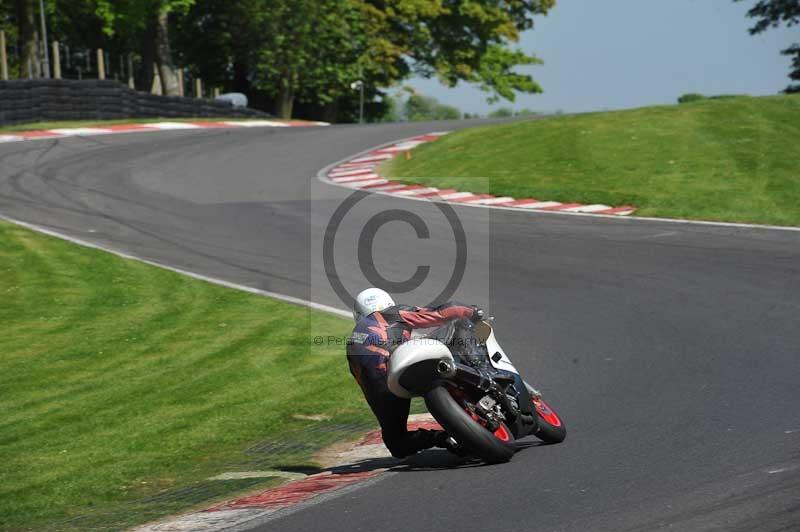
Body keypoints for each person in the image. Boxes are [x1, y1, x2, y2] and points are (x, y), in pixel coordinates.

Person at [346, 287, 483, 458]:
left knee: (397, 444)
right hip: (403, 363)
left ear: (357, 314)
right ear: (388, 303)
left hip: (382, 390)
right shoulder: (390, 313)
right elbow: (439, 313)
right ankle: (479, 366)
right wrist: (473, 311)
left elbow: (366, 384)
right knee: (460, 322)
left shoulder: (351, 343)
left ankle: (442, 439)